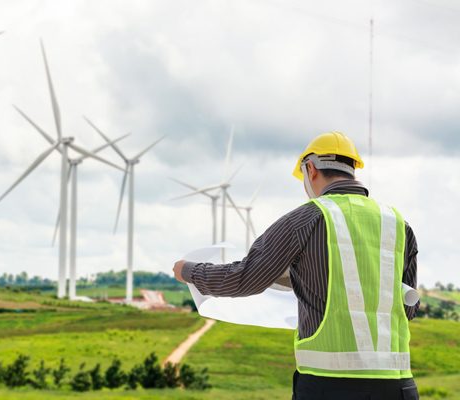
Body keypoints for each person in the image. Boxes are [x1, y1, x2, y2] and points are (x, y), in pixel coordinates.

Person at [173, 132, 419, 399]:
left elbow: (243, 278)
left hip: (329, 387)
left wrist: (188, 271)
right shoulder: (398, 224)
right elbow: (409, 307)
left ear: (310, 169)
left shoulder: (305, 220)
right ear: (353, 169)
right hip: (399, 386)